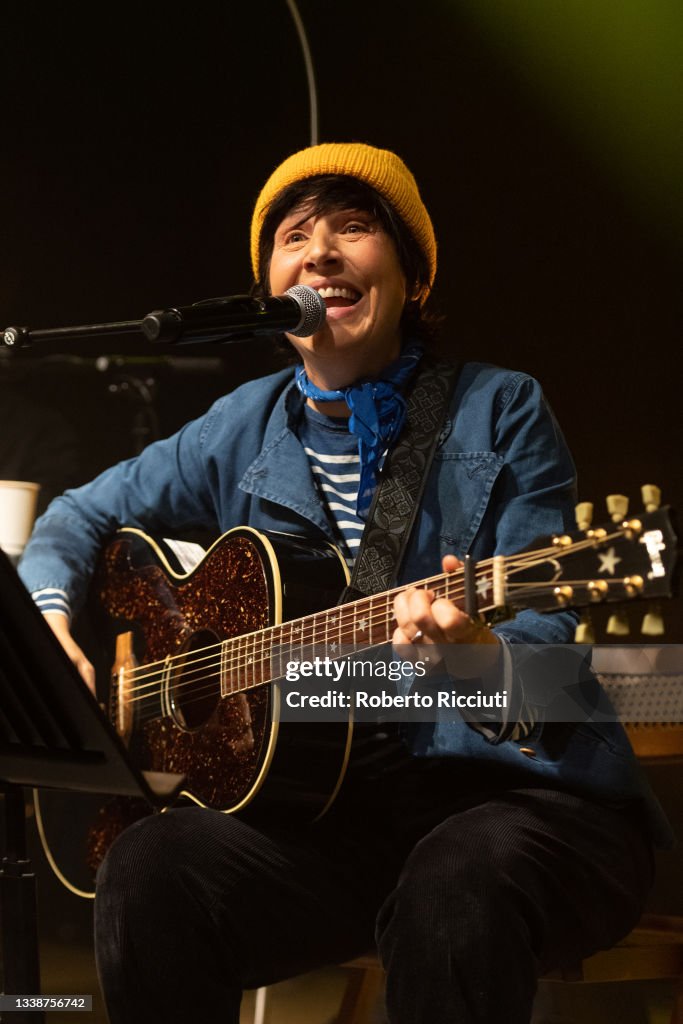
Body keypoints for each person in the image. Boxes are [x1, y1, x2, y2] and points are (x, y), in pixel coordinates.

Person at [18, 143, 667, 1024]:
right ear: (267, 289)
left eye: (353, 228)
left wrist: (472, 657)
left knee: (454, 881)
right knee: (150, 867)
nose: (319, 252)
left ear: (414, 278)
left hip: (519, 807)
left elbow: (552, 675)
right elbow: (72, 518)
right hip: (336, 826)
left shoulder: (498, 410)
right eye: (294, 236)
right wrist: (53, 623)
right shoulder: (240, 426)